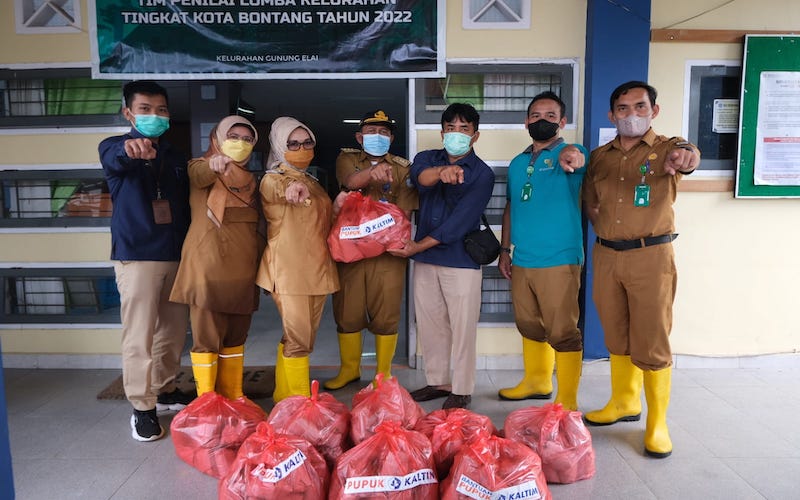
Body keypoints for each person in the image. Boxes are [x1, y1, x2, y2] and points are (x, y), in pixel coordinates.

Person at [582, 81, 700, 458]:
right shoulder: (600, 156)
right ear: (611, 114)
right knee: (615, 332)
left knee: (651, 338)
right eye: (622, 108)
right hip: (606, 254)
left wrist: (686, 157)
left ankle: (657, 423)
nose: (630, 114)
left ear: (654, 110)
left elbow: (689, 155)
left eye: (639, 106)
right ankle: (624, 402)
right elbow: (590, 200)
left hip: (651, 255)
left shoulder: (668, 148)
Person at [98, 80, 192, 442]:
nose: (154, 116)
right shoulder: (114, 147)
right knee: (139, 334)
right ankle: (142, 407)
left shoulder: (175, 156)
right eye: (145, 109)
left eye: (162, 109)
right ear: (128, 113)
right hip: (137, 256)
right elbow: (116, 158)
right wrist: (131, 148)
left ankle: (165, 389)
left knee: (172, 331)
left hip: (176, 254)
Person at [388, 103, 495, 410]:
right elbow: (420, 177)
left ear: (475, 136)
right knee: (430, 322)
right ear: (441, 132)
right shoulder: (426, 158)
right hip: (425, 261)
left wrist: (416, 248)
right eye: (451, 128)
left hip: (460, 259)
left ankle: (461, 388)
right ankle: (438, 381)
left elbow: (460, 222)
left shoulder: (482, 174)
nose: (456, 134)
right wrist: (442, 172)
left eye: (464, 129)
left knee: (462, 326)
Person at [497, 91, 587, 410]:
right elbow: (510, 206)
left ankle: (568, 401)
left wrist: (573, 157)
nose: (542, 121)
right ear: (526, 122)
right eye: (536, 115)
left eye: (551, 116)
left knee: (563, 331)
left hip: (560, 259)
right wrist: (505, 250)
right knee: (529, 323)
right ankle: (537, 381)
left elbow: (578, 158)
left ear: (562, 122)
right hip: (522, 259)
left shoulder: (570, 154)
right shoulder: (519, 163)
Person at [170, 115, 264, 400]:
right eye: (233, 137)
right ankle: (208, 402)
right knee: (207, 339)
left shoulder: (254, 181)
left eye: (247, 139)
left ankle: (234, 396)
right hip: (208, 267)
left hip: (244, 269)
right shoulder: (200, 166)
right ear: (216, 140)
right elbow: (201, 173)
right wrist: (215, 164)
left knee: (237, 336)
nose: (241, 144)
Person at [324, 110, 418, 390]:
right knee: (347, 311)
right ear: (359, 136)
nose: (378, 137)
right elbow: (350, 182)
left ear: (392, 138)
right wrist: (371, 174)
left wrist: (404, 243)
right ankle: (349, 370)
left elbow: (406, 211)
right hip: (351, 249)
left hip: (387, 253)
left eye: (384, 132)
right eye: (371, 132)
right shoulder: (348, 158)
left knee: (386, 312)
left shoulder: (404, 167)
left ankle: (384, 374)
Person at [255, 117, 340, 402]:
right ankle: (302, 404)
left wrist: (338, 206)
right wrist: (290, 191)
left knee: (299, 338)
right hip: (290, 271)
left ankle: (283, 397)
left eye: (307, 142)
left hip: (317, 269)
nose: (301, 148)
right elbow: (281, 191)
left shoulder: (311, 180)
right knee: (299, 340)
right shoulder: (273, 179)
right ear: (280, 146)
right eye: (293, 144)